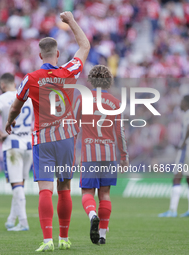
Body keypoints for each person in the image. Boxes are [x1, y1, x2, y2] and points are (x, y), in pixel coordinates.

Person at [5, 11, 90, 252]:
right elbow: (84, 45)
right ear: (58, 55)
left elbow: (16, 105)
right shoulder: (69, 70)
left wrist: (10, 122)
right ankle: (64, 239)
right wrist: (71, 21)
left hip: (42, 138)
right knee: (64, 188)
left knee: (45, 189)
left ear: (41, 55)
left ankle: (47, 240)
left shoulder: (30, 78)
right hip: (66, 137)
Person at [75, 65, 129, 245]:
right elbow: (120, 133)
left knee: (87, 192)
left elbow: (74, 129)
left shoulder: (83, 100)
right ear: (108, 81)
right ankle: (103, 235)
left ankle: (92, 215)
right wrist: (124, 157)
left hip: (90, 153)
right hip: (109, 153)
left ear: (91, 80)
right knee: (105, 194)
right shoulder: (115, 102)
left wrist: (71, 152)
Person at [0, 73, 33, 231]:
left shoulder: (1, 99)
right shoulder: (27, 97)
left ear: (2, 85)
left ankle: (23, 222)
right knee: (20, 184)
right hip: (29, 144)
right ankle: (11, 219)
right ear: (14, 83)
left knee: (16, 185)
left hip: (13, 144)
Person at [159, 95, 189, 218]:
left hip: (185, 150)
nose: (180, 104)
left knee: (176, 177)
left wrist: (183, 142)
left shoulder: (187, 114)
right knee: (187, 179)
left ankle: (172, 210)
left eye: (182, 102)